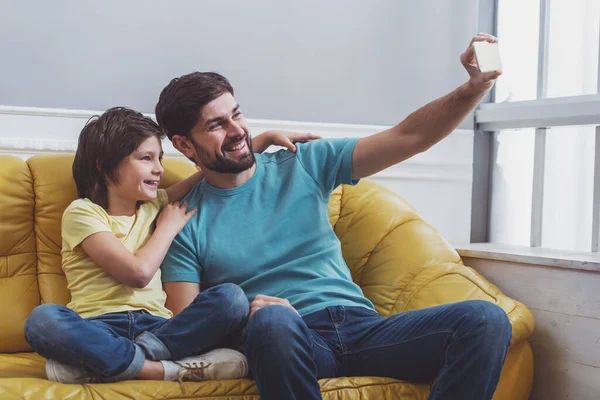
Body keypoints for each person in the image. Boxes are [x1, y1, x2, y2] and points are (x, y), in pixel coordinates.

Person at [154, 33, 512, 400]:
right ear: (183, 145)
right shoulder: (183, 221)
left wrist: (472, 88)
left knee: (485, 319)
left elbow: (409, 137)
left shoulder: (302, 162)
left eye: (237, 114)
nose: (237, 132)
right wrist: (253, 316)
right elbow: (189, 324)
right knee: (273, 322)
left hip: (366, 330)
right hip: (290, 339)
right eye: (216, 125)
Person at [23, 107, 319, 385]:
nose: (159, 170)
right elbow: (137, 274)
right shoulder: (83, 213)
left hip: (160, 331)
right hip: (98, 326)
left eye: (160, 158)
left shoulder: (156, 204)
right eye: (146, 159)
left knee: (232, 298)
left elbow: (210, 172)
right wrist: (166, 229)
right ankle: (160, 369)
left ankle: (107, 364)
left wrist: (262, 140)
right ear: (104, 165)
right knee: (43, 320)